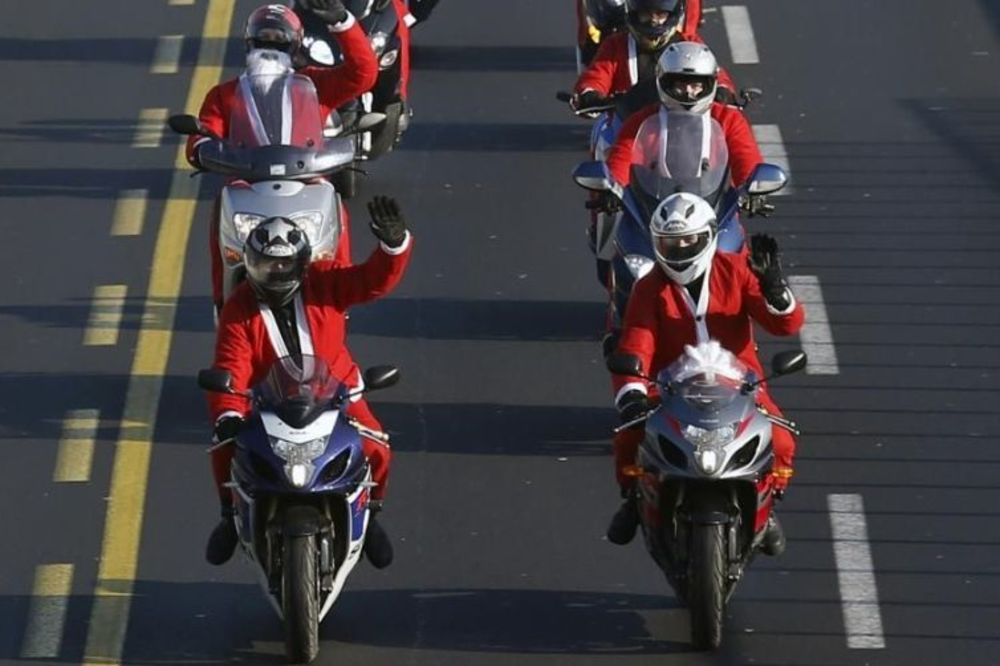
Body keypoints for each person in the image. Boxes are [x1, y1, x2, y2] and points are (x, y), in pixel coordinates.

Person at [204, 196, 413, 569]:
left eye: (284, 264)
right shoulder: (239, 308)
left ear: (301, 264)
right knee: (225, 446)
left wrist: (392, 245)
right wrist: (229, 415)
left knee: (378, 447)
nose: (276, 272)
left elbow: (373, 281)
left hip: (336, 395)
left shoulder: (326, 280)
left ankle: (372, 513)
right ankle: (227, 516)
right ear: (250, 264)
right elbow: (230, 367)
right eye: (267, 264)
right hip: (269, 402)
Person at [606, 192, 803, 554]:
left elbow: (786, 325)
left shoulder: (738, 271)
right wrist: (632, 395)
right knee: (627, 439)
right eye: (669, 242)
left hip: (739, 386)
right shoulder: (649, 288)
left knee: (782, 440)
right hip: (672, 387)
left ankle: (767, 505)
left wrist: (776, 289)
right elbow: (636, 345)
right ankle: (633, 501)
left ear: (709, 236)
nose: (679, 249)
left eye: (687, 241)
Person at [186, 0, 378, 311]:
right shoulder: (224, 94)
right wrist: (202, 149)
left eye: (281, 40)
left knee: (335, 208)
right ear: (249, 44)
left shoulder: (316, 85)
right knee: (222, 210)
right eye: (263, 39)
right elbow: (203, 133)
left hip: (307, 186)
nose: (271, 47)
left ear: (296, 46)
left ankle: (335, 302)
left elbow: (364, 74)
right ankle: (224, 303)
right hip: (249, 189)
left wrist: (342, 23)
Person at [603, 41, 761, 190]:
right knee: (624, 220)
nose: (688, 92)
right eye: (680, 85)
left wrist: (751, 187)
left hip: (715, 209)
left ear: (710, 84)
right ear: (663, 83)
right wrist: (613, 187)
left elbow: (745, 157)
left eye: (696, 85)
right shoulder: (641, 120)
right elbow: (622, 157)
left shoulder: (729, 119)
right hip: (653, 207)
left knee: (732, 221)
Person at [572, 0, 731, 114]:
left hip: (683, 127)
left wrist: (723, 90)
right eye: (646, 13)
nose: (653, 20)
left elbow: (714, 72)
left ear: (672, 14)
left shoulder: (689, 42)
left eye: (660, 13)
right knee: (605, 150)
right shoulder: (615, 44)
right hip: (625, 128)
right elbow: (596, 75)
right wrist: (590, 93)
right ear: (634, 13)